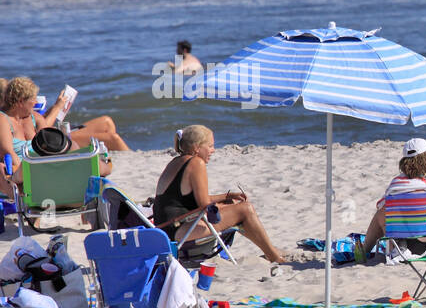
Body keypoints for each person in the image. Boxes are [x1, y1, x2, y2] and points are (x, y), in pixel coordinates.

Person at [155, 125, 288, 265]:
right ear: (196, 148)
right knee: (245, 209)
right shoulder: (196, 163)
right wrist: (225, 205)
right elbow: (204, 205)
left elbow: (189, 200)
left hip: (166, 229)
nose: (213, 150)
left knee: (234, 206)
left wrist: (227, 197)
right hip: (177, 231)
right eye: (210, 146)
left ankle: (270, 250)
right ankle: (274, 257)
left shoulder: (177, 161)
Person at [1, 77, 129, 174]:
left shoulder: (34, 117)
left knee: (91, 156)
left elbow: (50, 140)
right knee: (98, 150)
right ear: (20, 102)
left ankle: (106, 165)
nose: (35, 102)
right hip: (32, 170)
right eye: (32, 100)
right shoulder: (3, 120)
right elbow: (9, 153)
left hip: (49, 163)